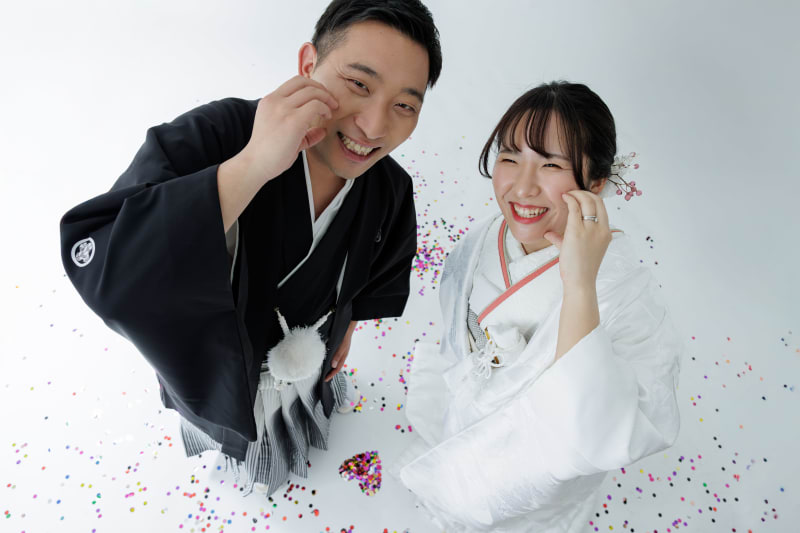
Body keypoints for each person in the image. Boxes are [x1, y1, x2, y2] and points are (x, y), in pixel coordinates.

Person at [59, 0, 442, 495]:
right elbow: (114, 262)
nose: (373, 127)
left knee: (301, 410)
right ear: (309, 64)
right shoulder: (221, 132)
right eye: (358, 84)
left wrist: (348, 325)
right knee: (240, 433)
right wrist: (254, 165)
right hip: (226, 364)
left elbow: (381, 263)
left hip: (312, 352)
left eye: (404, 106)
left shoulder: (389, 185)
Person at [397, 81, 682, 531]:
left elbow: (606, 429)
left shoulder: (625, 290)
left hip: (536, 465)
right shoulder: (489, 235)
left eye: (550, 164)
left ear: (596, 183)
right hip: (470, 413)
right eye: (510, 158)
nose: (522, 187)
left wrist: (580, 285)